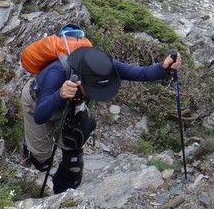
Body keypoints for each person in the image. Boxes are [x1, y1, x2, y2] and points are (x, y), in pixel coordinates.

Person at [21, 45, 181, 194]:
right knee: (42, 162)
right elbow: (40, 115)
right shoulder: (56, 73)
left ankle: (61, 200)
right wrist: (60, 95)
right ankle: (30, 149)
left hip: (71, 104)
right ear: (79, 79)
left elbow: (141, 73)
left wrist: (164, 67)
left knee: (74, 164)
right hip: (38, 102)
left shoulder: (105, 66)